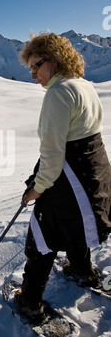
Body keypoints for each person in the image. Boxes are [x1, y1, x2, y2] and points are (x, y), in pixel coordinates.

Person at [14, 32, 111, 322]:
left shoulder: (58, 94)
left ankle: (30, 301)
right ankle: (81, 270)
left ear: (53, 62)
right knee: (77, 221)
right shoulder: (83, 85)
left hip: (68, 177)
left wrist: (37, 189)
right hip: (93, 171)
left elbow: (53, 153)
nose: (33, 76)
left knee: (43, 234)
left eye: (36, 66)